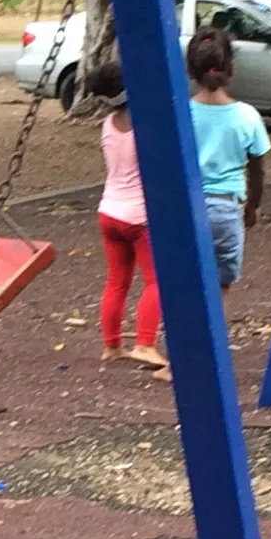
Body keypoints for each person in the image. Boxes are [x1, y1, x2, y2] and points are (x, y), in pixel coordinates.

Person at [90, 61, 168, 376]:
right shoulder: (146, 125)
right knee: (156, 281)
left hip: (109, 210)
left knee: (116, 281)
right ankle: (145, 344)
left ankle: (111, 345)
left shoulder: (107, 124)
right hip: (139, 216)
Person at [187, 27, 271, 306]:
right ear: (231, 69)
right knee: (221, 284)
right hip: (226, 208)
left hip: (187, 208)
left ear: (191, 71)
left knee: (188, 279)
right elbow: (257, 169)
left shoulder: (181, 114)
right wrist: (252, 207)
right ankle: (214, 343)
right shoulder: (247, 116)